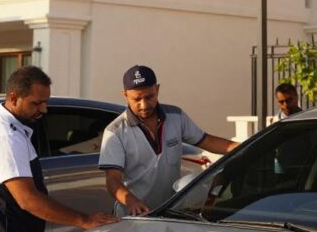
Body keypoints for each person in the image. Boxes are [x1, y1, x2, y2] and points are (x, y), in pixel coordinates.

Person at [0, 66, 118, 232]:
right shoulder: (6, 138)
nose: (44, 110)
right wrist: (85, 220)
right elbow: (27, 199)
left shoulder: (10, 127)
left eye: (46, 102)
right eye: (36, 103)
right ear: (13, 97)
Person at [99, 65, 240, 216]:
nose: (144, 105)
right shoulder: (115, 131)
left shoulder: (176, 117)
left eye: (149, 97)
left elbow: (208, 141)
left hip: (169, 213)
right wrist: (132, 202)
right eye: (137, 99)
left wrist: (251, 146)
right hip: (133, 215)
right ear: (125, 95)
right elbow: (113, 180)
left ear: (157, 89)